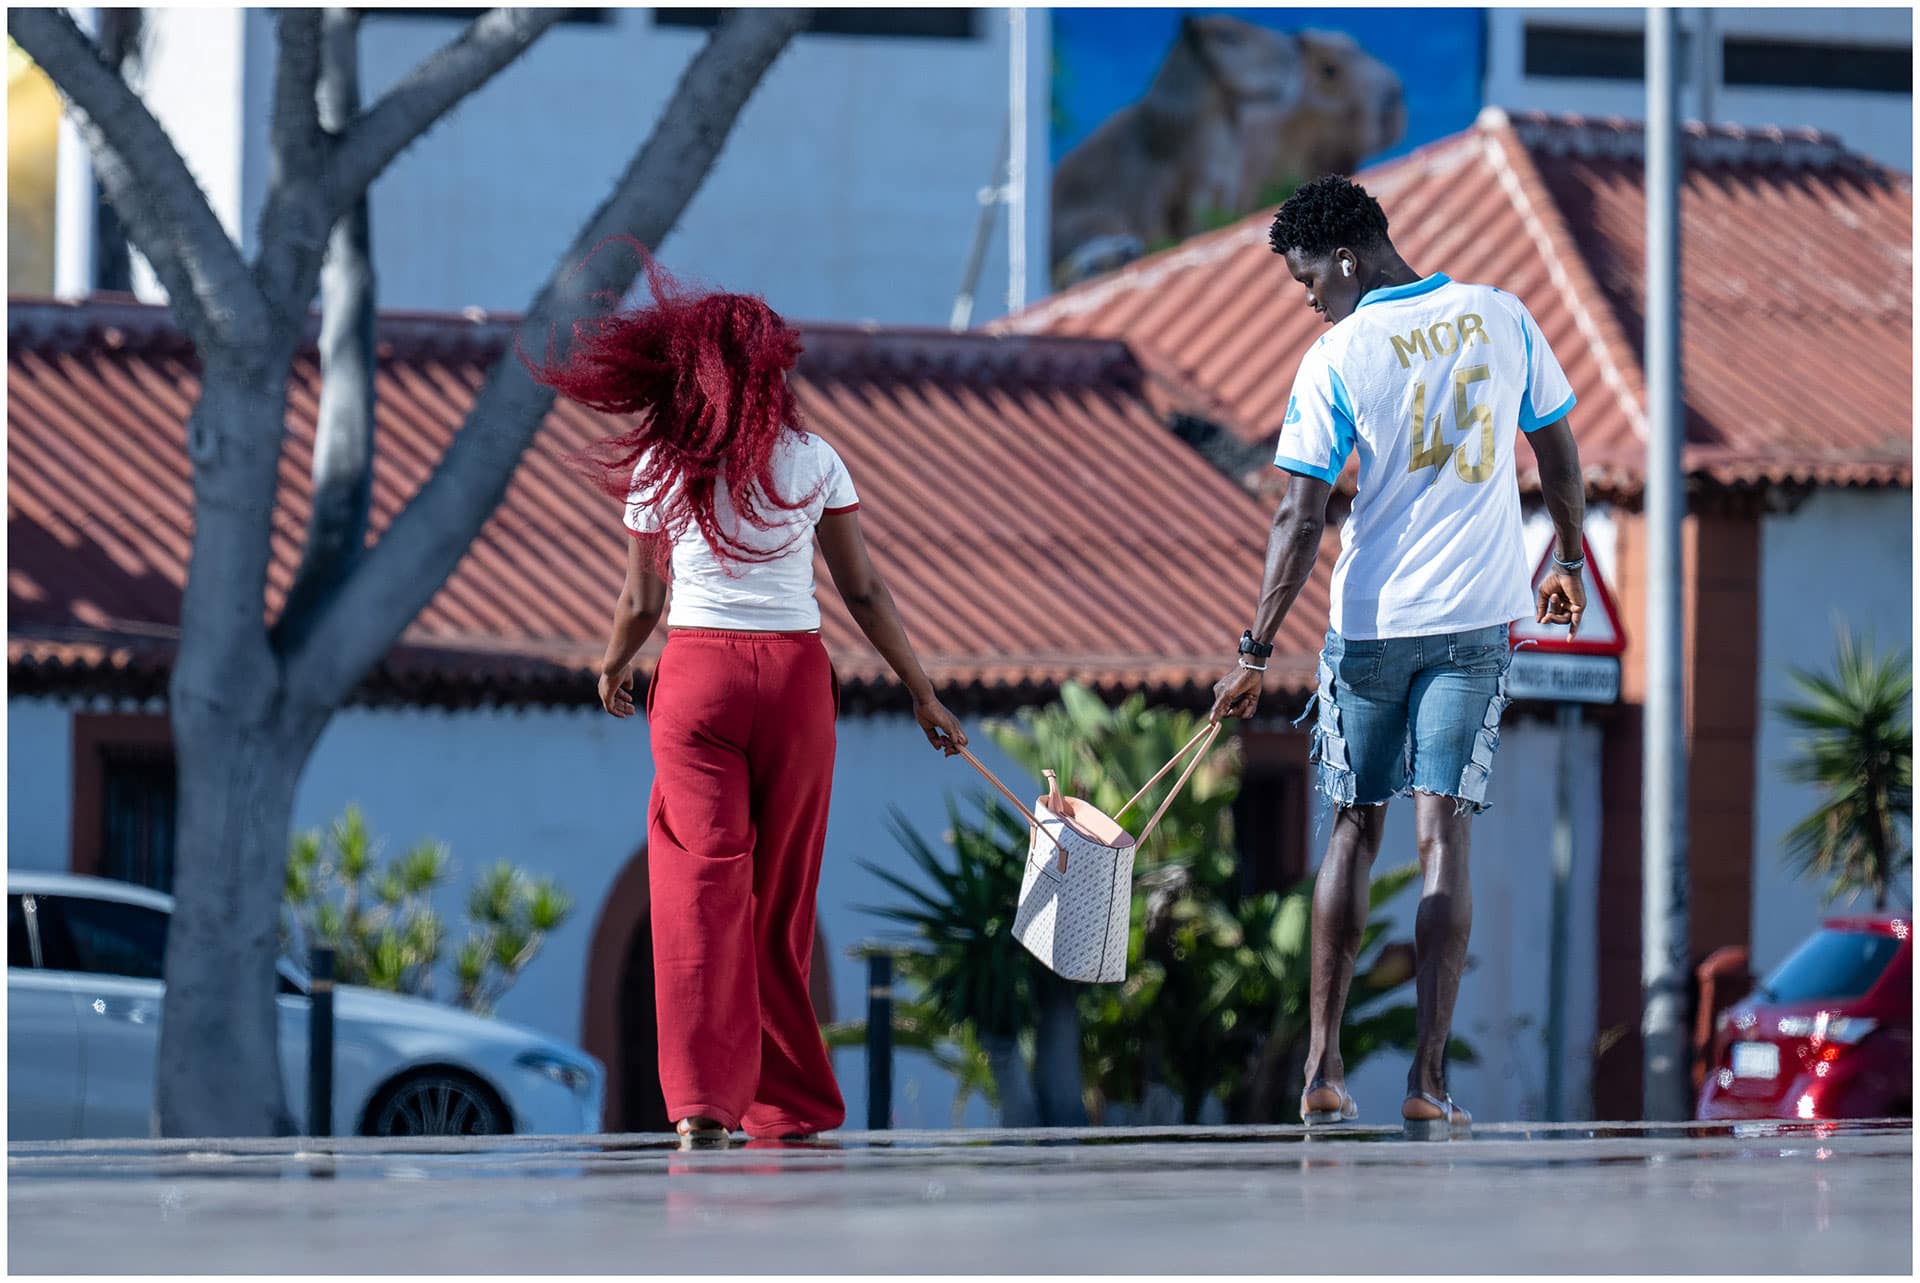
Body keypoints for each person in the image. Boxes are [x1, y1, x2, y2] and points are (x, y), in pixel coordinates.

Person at [527, 243, 967, 1147]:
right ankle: (787, 1104)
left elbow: (641, 600)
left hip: (696, 681)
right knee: (782, 894)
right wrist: (922, 694)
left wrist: (612, 665)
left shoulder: (663, 466)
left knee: (699, 883)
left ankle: (701, 1102)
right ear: (771, 368)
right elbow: (864, 591)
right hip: (797, 680)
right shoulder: (815, 459)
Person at [1207, 176, 1589, 1138]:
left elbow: (1300, 516)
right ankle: (1428, 1080)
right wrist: (1569, 561)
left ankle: (1323, 1069)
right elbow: (1558, 450)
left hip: (1373, 628)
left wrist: (1255, 650)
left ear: (1347, 260)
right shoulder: (1502, 317)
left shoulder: (1338, 354)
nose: (1309, 301)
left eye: (1309, 282)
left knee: (1351, 832)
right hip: (1474, 624)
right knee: (1442, 840)